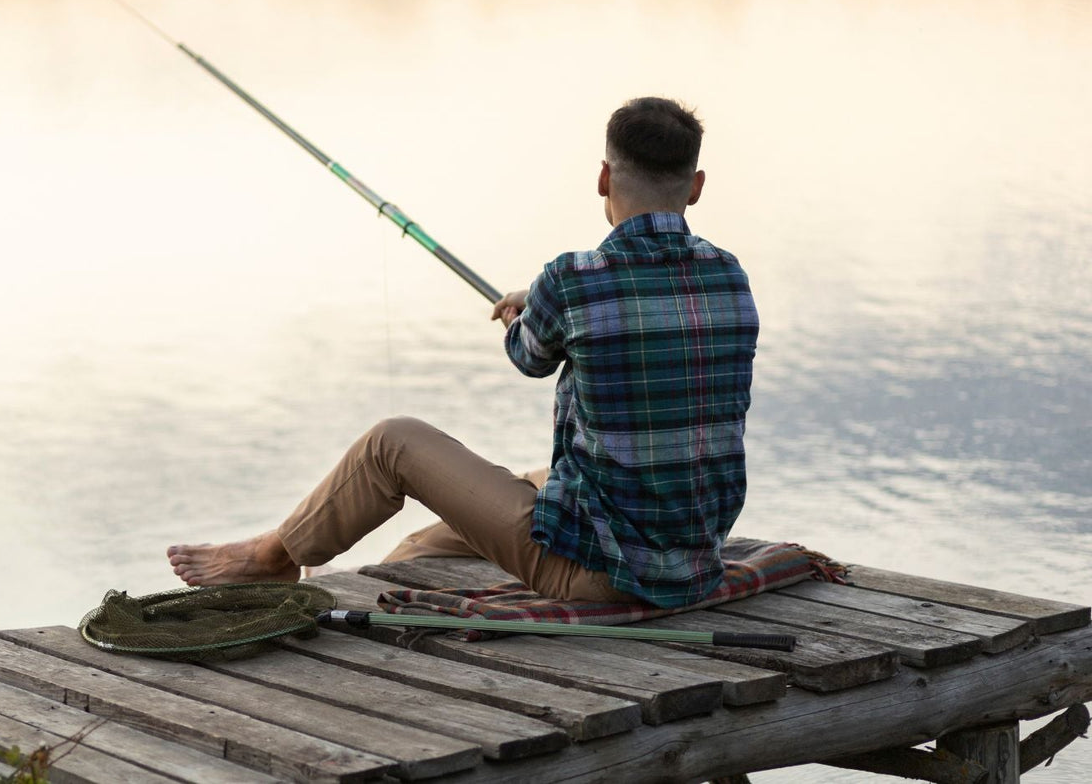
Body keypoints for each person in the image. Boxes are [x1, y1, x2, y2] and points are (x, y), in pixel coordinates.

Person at [167, 97, 758, 608]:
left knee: (390, 443)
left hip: (601, 577)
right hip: (694, 562)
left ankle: (272, 556)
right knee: (506, 494)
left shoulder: (572, 280)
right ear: (696, 185)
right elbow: (637, 311)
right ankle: (373, 567)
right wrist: (544, 299)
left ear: (604, 178)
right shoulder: (730, 277)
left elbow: (528, 355)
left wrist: (527, 309)